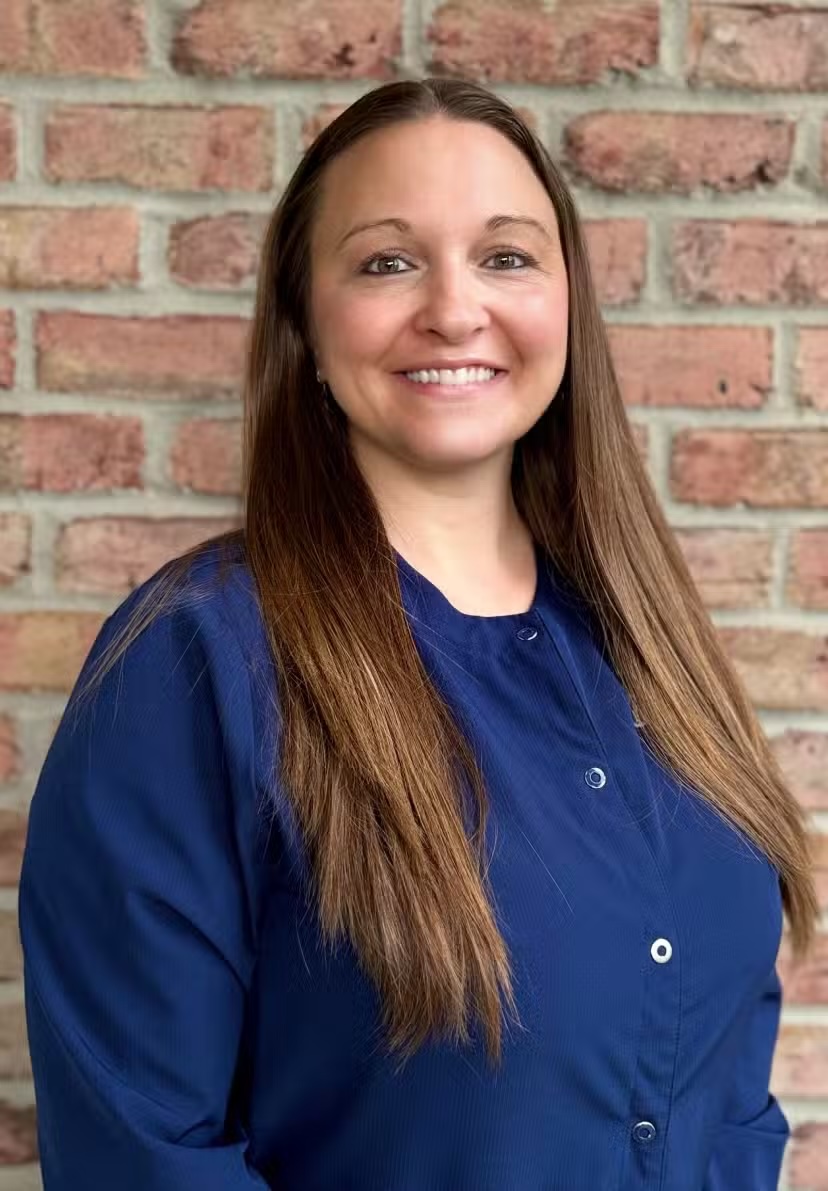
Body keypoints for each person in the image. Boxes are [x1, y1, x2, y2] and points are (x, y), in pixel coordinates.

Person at [18, 76, 818, 1190]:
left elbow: (729, 1091)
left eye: (507, 256)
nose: (453, 307)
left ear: (567, 304)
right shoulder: (198, 662)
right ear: (305, 317)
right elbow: (141, 1156)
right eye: (387, 262)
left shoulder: (656, 650)